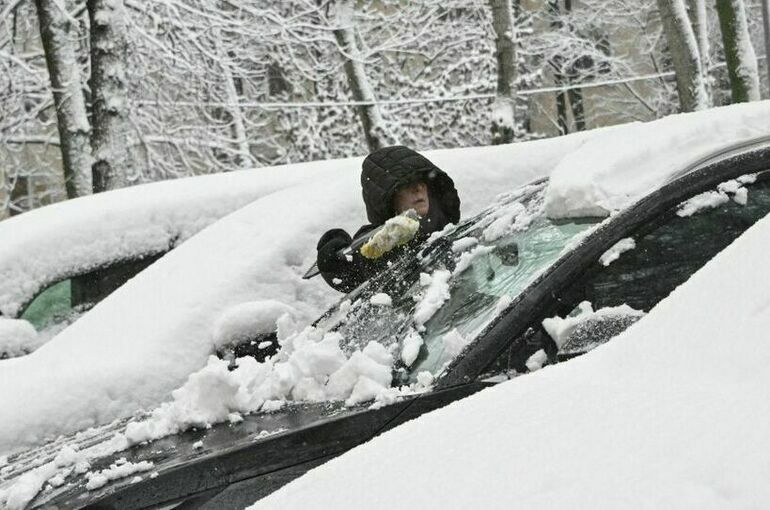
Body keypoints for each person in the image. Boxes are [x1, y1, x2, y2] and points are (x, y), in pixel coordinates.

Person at [316, 145, 460, 293]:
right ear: (388, 198)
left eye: (422, 181)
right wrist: (335, 259)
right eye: (407, 182)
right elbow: (353, 272)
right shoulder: (377, 242)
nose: (418, 188)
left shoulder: (458, 236)